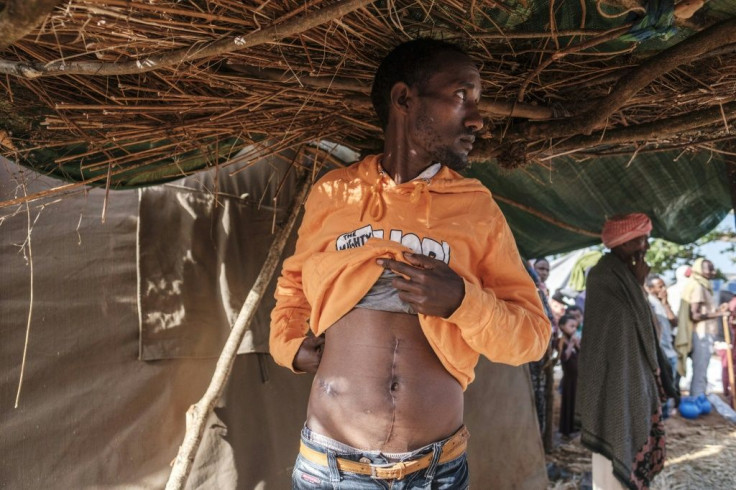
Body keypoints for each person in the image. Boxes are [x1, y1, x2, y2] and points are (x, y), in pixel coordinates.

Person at [269, 38, 551, 488]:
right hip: (333, 471)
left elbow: (532, 337)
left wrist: (463, 301)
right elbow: (294, 283)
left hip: (437, 470)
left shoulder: (475, 207)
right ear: (404, 98)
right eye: (462, 96)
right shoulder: (335, 194)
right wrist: (288, 344)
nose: (477, 119)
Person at [576, 213, 674, 489]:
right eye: (643, 239)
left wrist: (638, 285)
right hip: (613, 383)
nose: (647, 247)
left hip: (631, 380)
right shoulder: (604, 277)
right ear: (624, 243)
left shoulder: (625, 277)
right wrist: (639, 286)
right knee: (609, 471)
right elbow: (626, 330)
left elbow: (647, 332)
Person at [675, 258, 728, 397]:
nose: (713, 272)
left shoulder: (704, 285)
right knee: (700, 371)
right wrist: (718, 313)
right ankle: (696, 399)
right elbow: (695, 315)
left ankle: (697, 398)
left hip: (703, 334)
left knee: (701, 370)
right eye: (709, 269)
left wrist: (717, 310)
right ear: (699, 270)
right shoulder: (698, 286)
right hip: (700, 334)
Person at [646, 274, 679, 418]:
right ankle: (661, 419)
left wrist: (666, 303)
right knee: (661, 388)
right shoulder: (649, 303)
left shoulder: (661, 303)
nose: (663, 289)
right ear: (650, 288)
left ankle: (666, 418)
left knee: (670, 386)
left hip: (669, 351)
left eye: (663, 285)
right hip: (660, 353)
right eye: (660, 286)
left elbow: (674, 322)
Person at [557, 314, 579, 438]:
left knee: (575, 402)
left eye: (575, 326)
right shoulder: (561, 342)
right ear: (562, 327)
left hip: (576, 379)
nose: (574, 329)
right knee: (568, 402)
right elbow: (564, 357)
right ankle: (566, 430)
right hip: (568, 379)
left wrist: (576, 344)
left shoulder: (574, 341)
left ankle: (574, 427)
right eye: (571, 326)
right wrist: (571, 344)